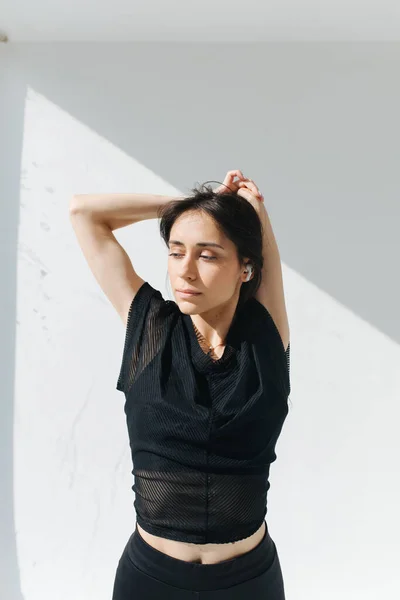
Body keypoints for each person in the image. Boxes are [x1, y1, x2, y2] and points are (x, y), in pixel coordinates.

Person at [69, 169, 291, 599]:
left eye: (207, 255)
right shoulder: (151, 328)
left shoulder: (265, 341)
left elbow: (262, 246)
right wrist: (192, 209)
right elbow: (83, 212)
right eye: (176, 252)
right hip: (151, 578)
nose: (185, 271)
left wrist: (253, 211)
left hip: (247, 582)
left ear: (246, 268)